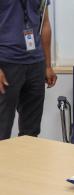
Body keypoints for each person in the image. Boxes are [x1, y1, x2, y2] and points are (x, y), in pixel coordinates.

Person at [0, 0, 57, 140]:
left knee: (31, 131)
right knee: (2, 128)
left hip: (36, 63)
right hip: (6, 62)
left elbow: (44, 23)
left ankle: (28, 162)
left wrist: (48, 65)